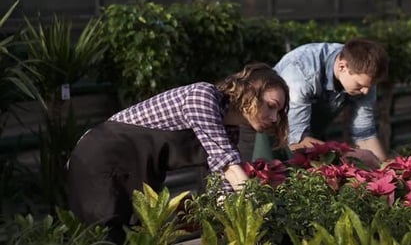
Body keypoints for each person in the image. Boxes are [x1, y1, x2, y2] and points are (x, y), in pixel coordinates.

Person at [66, 63, 289, 244]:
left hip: (134, 171)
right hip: (101, 158)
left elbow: (224, 188)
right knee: (104, 236)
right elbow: (229, 166)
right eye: (271, 105)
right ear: (249, 92)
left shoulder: (228, 131)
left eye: (279, 112)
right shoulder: (202, 96)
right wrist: (265, 213)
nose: (275, 118)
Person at [242, 38, 388, 168]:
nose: (366, 92)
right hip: (269, 134)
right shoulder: (302, 74)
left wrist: (385, 170)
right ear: (342, 67)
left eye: (370, 86)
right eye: (360, 85)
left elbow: (365, 134)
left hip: (311, 137)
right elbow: (296, 141)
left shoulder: (363, 73)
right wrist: (350, 154)